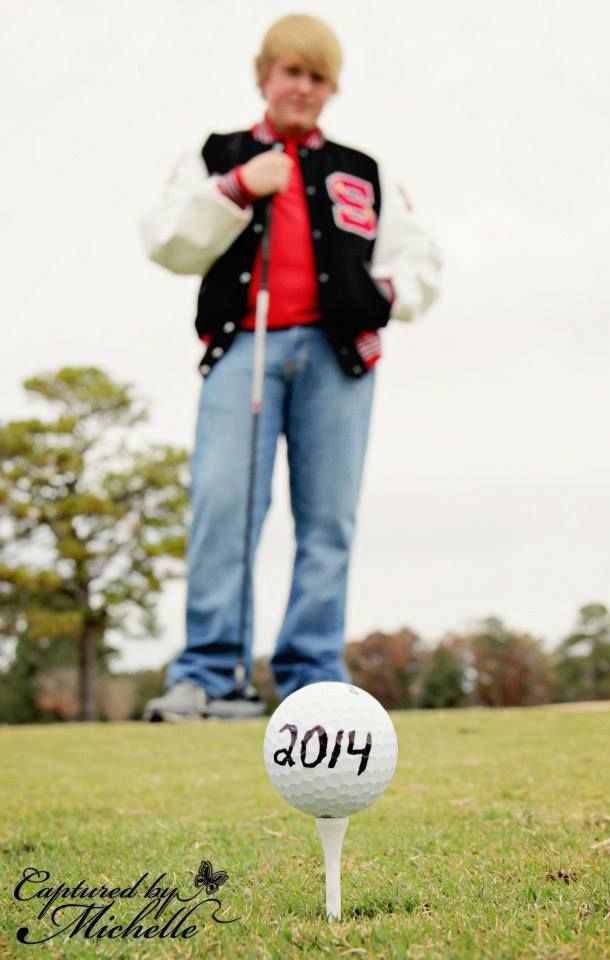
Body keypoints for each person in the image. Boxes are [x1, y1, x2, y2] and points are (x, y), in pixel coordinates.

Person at [140, 14, 441, 721]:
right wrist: (241, 185)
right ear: (264, 75)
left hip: (338, 357)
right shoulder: (216, 155)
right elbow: (166, 240)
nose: (302, 87)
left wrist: (385, 295)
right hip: (243, 346)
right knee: (223, 508)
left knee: (328, 519)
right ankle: (211, 675)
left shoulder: (364, 170)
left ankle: (312, 677)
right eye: (290, 72)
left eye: (316, 76)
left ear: (331, 87)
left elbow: (417, 256)